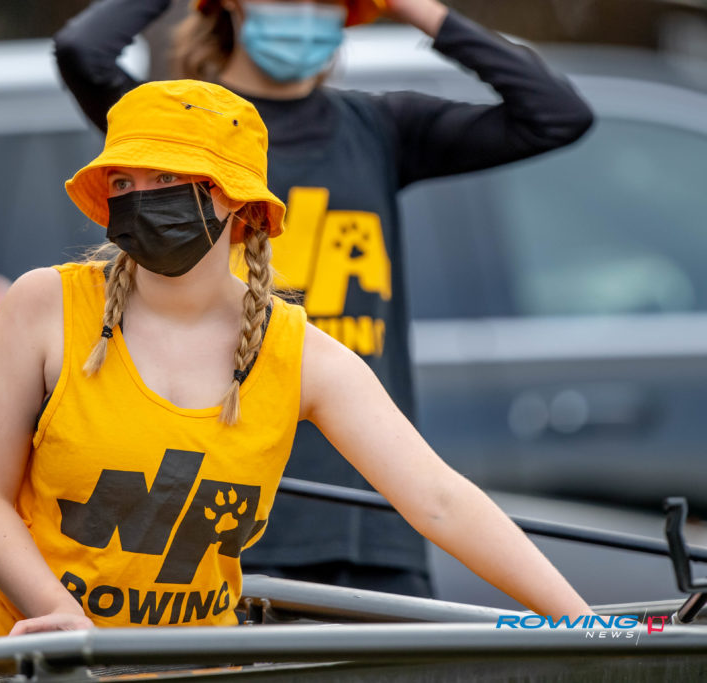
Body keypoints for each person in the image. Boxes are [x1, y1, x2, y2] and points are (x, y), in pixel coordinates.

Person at [0, 78, 592, 638]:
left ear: (234, 198)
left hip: (190, 663)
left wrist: (585, 625)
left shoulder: (301, 353)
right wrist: (63, 620)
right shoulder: (43, 305)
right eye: (124, 181)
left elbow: (439, 500)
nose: (141, 197)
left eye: (168, 179)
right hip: (26, 649)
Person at [53, 0, 595, 598]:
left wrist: (419, 10)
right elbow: (82, 51)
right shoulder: (179, 133)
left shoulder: (378, 128)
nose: (304, 9)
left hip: (376, 520)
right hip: (225, 523)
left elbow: (557, 115)